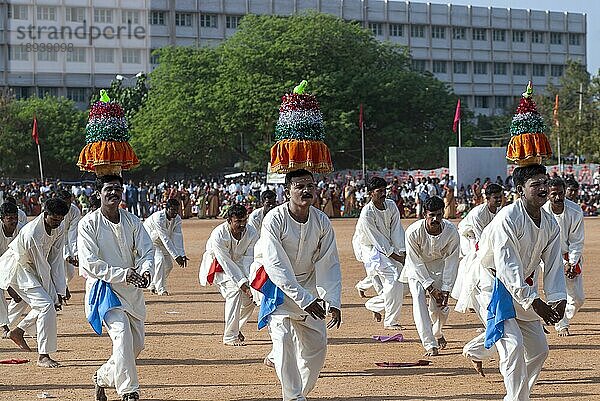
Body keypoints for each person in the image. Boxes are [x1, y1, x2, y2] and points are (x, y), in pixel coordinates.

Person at [477, 164, 566, 401]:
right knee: (513, 345)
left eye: (544, 183)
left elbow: (554, 264)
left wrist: (559, 299)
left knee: (539, 350)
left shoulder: (550, 223)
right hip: (492, 283)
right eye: (535, 184)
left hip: (521, 287)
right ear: (520, 190)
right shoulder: (508, 217)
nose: (543, 189)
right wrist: (535, 302)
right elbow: (507, 267)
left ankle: (517, 395)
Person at [257, 169, 341, 401]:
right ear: (287, 191)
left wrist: (332, 301)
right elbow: (275, 265)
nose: (306, 191)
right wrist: (305, 299)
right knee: (283, 341)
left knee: (317, 348)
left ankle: (300, 392)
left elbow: (329, 263)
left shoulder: (321, 220)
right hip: (279, 289)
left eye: (310, 186)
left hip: (311, 289)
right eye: (299, 186)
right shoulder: (274, 219)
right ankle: (293, 397)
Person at [78, 174, 154, 401]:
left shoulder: (132, 221)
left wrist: (146, 271)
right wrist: (123, 274)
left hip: (132, 291)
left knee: (136, 345)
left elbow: (147, 251)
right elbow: (89, 262)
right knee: (121, 335)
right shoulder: (88, 224)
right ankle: (129, 391)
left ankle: (102, 376)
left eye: (117, 189)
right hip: (105, 291)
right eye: (108, 189)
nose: (113, 193)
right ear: (99, 193)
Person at [0, 197, 69, 368]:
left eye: (60, 220)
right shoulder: (33, 234)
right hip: (18, 269)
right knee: (47, 305)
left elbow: (56, 259)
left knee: (48, 305)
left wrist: (60, 288)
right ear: (45, 214)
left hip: (33, 268)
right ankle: (43, 356)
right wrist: (54, 293)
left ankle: (18, 332)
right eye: (54, 219)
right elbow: (43, 267)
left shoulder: (59, 228)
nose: (57, 223)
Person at [452, 183, 503, 375]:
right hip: (473, 250)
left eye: (500, 196)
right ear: (486, 198)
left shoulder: (500, 213)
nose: (498, 200)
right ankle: (473, 351)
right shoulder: (478, 214)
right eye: (495, 197)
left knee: (498, 323)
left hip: (487, 258)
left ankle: (476, 352)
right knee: (498, 322)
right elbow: (485, 244)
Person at [402, 195, 459, 356]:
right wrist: (429, 287)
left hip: (440, 267)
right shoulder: (413, 232)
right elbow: (414, 261)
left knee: (440, 307)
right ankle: (429, 344)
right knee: (419, 299)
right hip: (417, 269)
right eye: (431, 215)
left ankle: (438, 332)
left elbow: (452, 260)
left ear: (443, 213)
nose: (435, 219)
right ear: (424, 214)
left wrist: (446, 288)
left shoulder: (451, 231)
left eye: (439, 215)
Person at [199, 204, 257, 346]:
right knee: (235, 291)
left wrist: (251, 286)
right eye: (238, 221)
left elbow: (249, 259)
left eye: (244, 220)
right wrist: (244, 286)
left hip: (241, 266)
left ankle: (236, 329)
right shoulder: (218, 234)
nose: (242, 224)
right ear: (229, 220)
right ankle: (230, 337)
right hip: (218, 266)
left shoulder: (252, 232)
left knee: (251, 300)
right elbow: (226, 263)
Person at [352, 177, 406, 329]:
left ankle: (374, 304)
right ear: (370, 193)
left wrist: (402, 251)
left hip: (387, 245)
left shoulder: (391, 205)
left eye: (384, 190)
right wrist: (397, 257)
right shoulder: (367, 213)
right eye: (379, 191)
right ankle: (390, 321)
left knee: (400, 282)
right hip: (369, 248)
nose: (383, 194)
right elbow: (377, 240)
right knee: (393, 277)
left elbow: (397, 230)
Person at [543, 177, 585, 337]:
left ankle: (560, 318)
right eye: (554, 194)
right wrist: (561, 263)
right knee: (557, 293)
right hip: (548, 257)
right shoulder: (542, 212)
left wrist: (571, 263)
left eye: (561, 193)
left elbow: (577, 240)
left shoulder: (575, 211)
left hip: (572, 257)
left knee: (578, 298)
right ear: (548, 194)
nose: (558, 197)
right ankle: (561, 325)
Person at [144, 198, 188, 296]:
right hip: (151, 241)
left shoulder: (177, 219)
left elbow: (178, 237)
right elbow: (164, 237)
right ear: (167, 209)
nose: (175, 212)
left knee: (169, 265)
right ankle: (161, 289)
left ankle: (153, 284)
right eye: (173, 210)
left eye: (177, 210)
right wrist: (176, 256)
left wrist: (182, 254)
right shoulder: (158, 217)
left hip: (163, 242)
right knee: (160, 260)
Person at [0, 202, 24, 338]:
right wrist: (8, 286)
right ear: (2, 218)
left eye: (15, 217)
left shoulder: (21, 230)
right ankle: (4, 326)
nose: (14, 221)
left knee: (24, 295)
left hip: (14, 267)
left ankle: (7, 320)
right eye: (9, 218)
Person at [57, 189, 82, 297]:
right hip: (55, 240)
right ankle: (60, 290)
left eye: (69, 202)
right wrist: (66, 254)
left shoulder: (75, 211)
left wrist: (74, 253)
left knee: (70, 273)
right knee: (57, 268)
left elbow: (73, 233)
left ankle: (64, 285)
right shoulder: (55, 210)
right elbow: (58, 234)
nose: (68, 205)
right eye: (65, 203)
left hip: (67, 237)